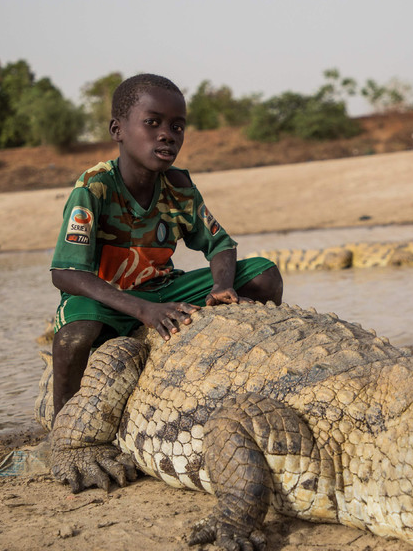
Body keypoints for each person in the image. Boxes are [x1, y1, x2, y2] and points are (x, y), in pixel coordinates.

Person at [49, 73, 283, 418]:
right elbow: (65, 273)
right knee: (76, 334)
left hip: (162, 288)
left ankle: (234, 376)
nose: (167, 135)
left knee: (264, 274)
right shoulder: (94, 186)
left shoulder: (179, 185)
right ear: (118, 130)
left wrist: (222, 285)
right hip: (107, 298)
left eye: (177, 127)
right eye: (153, 123)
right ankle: (63, 423)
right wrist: (143, 311)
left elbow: (219, 243)